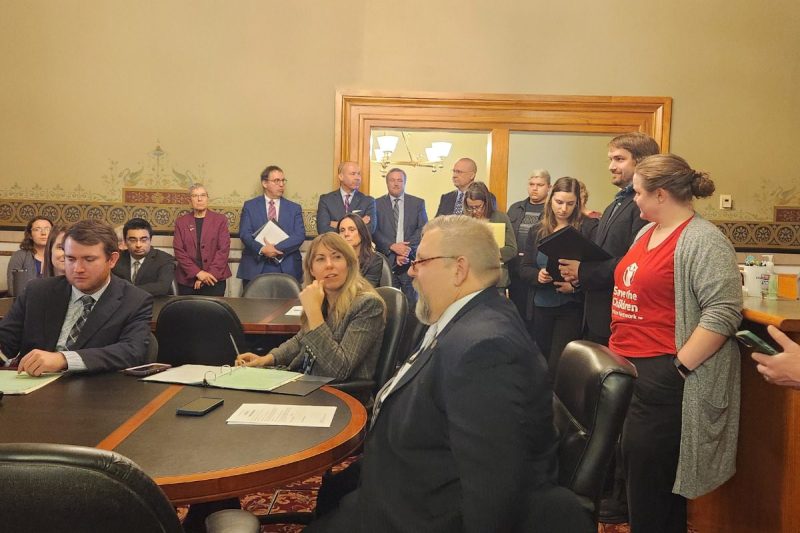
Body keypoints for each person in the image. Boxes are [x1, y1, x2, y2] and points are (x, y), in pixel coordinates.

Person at [307, 215, 562, 533]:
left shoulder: (486, 348)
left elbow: (494, 491)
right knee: (333, 495)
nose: (412, 270)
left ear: (459, 269)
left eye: (421, 261)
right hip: (398, 479)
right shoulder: (462, 318)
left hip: (418, 512)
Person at [607, 154, 742, 533]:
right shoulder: (644, 233)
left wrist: (678, 368)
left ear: (661, 194)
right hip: (627, 365)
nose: (634, 200)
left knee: (654, 486)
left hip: (663, 372)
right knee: (633, 473)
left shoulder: (703, 240)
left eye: (638, 193)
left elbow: (723, 312)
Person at [235, 232, 386, 404]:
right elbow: (301, 339)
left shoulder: (368, 304)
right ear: (312, 270)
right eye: (320, 259)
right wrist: (267, 359)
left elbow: (338, 370)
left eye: (337, 257)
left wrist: (313, 313)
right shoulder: (324, 299)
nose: (329, 265)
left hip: (339, 398)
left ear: (349, 264)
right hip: (307, 385)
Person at [0, 219, 153, 375]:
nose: (77, 269)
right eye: (71, 259)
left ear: (112, 259)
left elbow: (131, 352)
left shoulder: (135, 300)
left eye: (89, 260)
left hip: (93, 391)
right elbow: (5, 341)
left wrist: (64, 359)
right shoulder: (37, 292)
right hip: (31, 388)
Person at [558, 132, 661, 347]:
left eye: (619, 159)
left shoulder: (643, 207)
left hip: (620, 317)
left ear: (641, 162)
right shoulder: (615, 204)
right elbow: (603, 254)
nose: (611, 166)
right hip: (597, 313)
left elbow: (634, 262)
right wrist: (580, 275)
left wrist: (583, 271)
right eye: (610, 159)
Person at [519, 177, 598, 375]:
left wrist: (575, 286)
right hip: (540, 305)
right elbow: (525, 267)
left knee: (560, 363)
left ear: (577, 203)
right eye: (559, 202)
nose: (563, 209)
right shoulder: (537, 229)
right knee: (540, 361)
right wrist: (538, 275)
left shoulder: (588, 228)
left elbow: (597, 269)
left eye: (570, 204)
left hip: (570, 306)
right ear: (550, 200)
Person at [238, 165, 306, 286]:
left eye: (283, 180)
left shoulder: (294, 208)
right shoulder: (250, 206)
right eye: (276, 181)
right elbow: (245, 234)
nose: (281, 184)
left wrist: (275, 249)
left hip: (287, 267)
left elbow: (299, 235)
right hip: (256, 266)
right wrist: (262, 249)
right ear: (264, 183)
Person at [372, 167, 428, 303]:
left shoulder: (417, 203)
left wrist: (405, 251)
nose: (396, 183)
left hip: (410, 261)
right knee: (387, 303)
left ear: (404, 182)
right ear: (387, 183)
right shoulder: (375, 204)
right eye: (392, 180)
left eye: (399, 180)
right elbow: (374, 230)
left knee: (413, 304)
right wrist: (392, 247)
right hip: (386, 261)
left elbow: (423, 228)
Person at [173, 184, 232, 296]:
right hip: (187, 281)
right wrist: (198, 273)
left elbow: (223, 250)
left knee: (214, 313)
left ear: (207, 198)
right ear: (190, 199)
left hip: (214, 278)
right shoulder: (181, 222)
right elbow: (179, 251)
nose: (199, 199)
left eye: (203, 195)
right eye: (195, 196)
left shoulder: (220, 220)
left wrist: (207, 275)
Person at [507, 169, 551, 319]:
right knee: (516, 315)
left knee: (534, 318)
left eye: (540, 184)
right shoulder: (515, 208)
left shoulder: (551, 211)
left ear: (549, 187)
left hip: (536, 271)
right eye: (532, 184)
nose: (535, 188)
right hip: (515, 270)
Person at [463, 181, 516, 290]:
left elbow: (512, 250)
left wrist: (490, 253)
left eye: (478, 207)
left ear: (486, 203)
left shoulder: (500, 217)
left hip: (497, 280)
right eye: (470, 207)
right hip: (471, 278)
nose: (474, 211)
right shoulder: (464, 220)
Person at [111, 218, 175, 296]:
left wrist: (127, 291)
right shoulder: (117, 259)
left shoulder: (164, 259)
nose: (138, 245)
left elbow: (162, 287)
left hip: (153, 304)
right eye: (133, 240)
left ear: (150, 239)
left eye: (143, 240)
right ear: (125, 241)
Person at [316, 161, 377, 234]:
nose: (357, 178)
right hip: (334, 244)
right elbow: (323, 230)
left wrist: (335, 224)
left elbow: (370, 229)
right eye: (353, 174)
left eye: (359, 174)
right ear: (341, 177)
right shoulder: (326, 200)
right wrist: (358, 223)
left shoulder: (368, 201)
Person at [7, 216, 53, 296]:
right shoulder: (19, 256)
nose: (43, 233)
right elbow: (13, 289)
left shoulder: (59, 257)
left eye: (47, 229)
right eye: (37, 229)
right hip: (24, 304)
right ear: (30, 235)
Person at [337, 214, 386, 288]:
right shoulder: (335, 260)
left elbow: (365, 290)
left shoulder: (375, 260)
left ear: (361, 233)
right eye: (342, 230)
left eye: (351, 229)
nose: (346, 234)